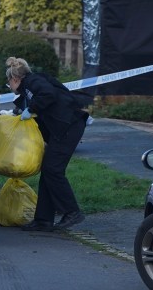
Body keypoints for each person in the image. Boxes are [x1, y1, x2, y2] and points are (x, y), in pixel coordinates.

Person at [6, 56, 90, 232]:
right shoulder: (30, 87)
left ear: (15, 79)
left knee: (53, 169)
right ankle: (43, 219)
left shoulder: (32, 82)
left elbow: (48, 95)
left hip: (68, 127)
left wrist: (31, 109)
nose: (9, 86)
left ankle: (72, 212)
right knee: (48, 170)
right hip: (63, 128)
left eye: (9, 83)